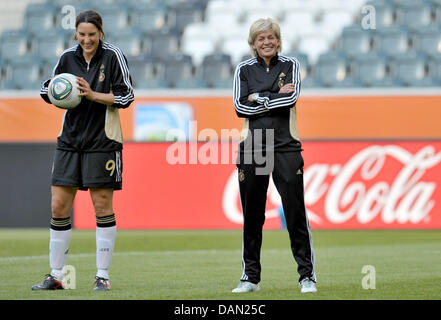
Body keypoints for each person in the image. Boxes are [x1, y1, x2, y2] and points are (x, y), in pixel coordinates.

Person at [32, 10, 134, 291]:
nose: (87, 40)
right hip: (69, 140)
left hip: (103, 140)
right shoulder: (67, 57)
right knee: (58, 205)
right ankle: (56, 275)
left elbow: (126, 96)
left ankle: (102, 276)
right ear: (75, 34)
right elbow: (46, 89)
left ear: (101, 32)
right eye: (82, 34)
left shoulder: (113, 56)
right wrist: (59, 91)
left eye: (92, 34)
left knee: (101, 206)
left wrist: (91, 95)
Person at [232, 18, 316, 293]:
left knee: (295, 212)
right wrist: (271, 96)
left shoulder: (291, 65)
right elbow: (239, 107)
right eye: (261, 39)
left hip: (286, 145)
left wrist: (258, 97)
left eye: (271, 37)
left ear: (278, 40)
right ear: (253, 43)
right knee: (253, 216)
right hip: (254, 146)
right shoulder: (243, 69)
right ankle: (250, 278)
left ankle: (307, 276)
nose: (266, 42)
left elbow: (290, 100)